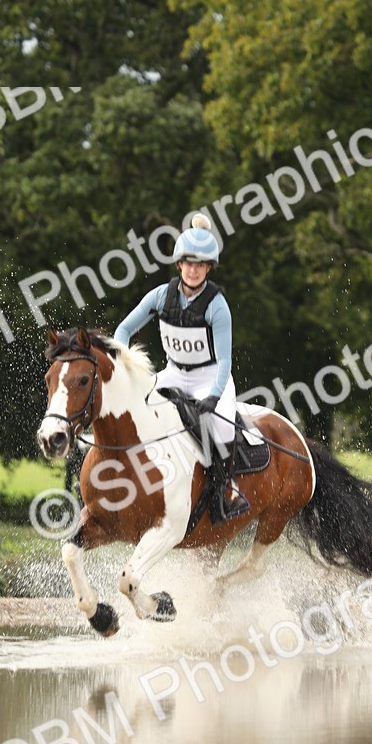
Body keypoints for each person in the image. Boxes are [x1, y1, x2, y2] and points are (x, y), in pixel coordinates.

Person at [113, 214, 249, 523]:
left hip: (209, 375)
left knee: (223, 424)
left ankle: (226, 493)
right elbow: (123, 330)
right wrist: (123, 363)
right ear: (179, 265)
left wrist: (214, 395)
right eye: (188, 263)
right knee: (137, 406)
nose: (193, 269)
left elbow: (225, 360)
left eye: (200, 265)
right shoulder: (161, 296)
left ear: (208, 268)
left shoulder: (217, 305)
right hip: (174, 372)